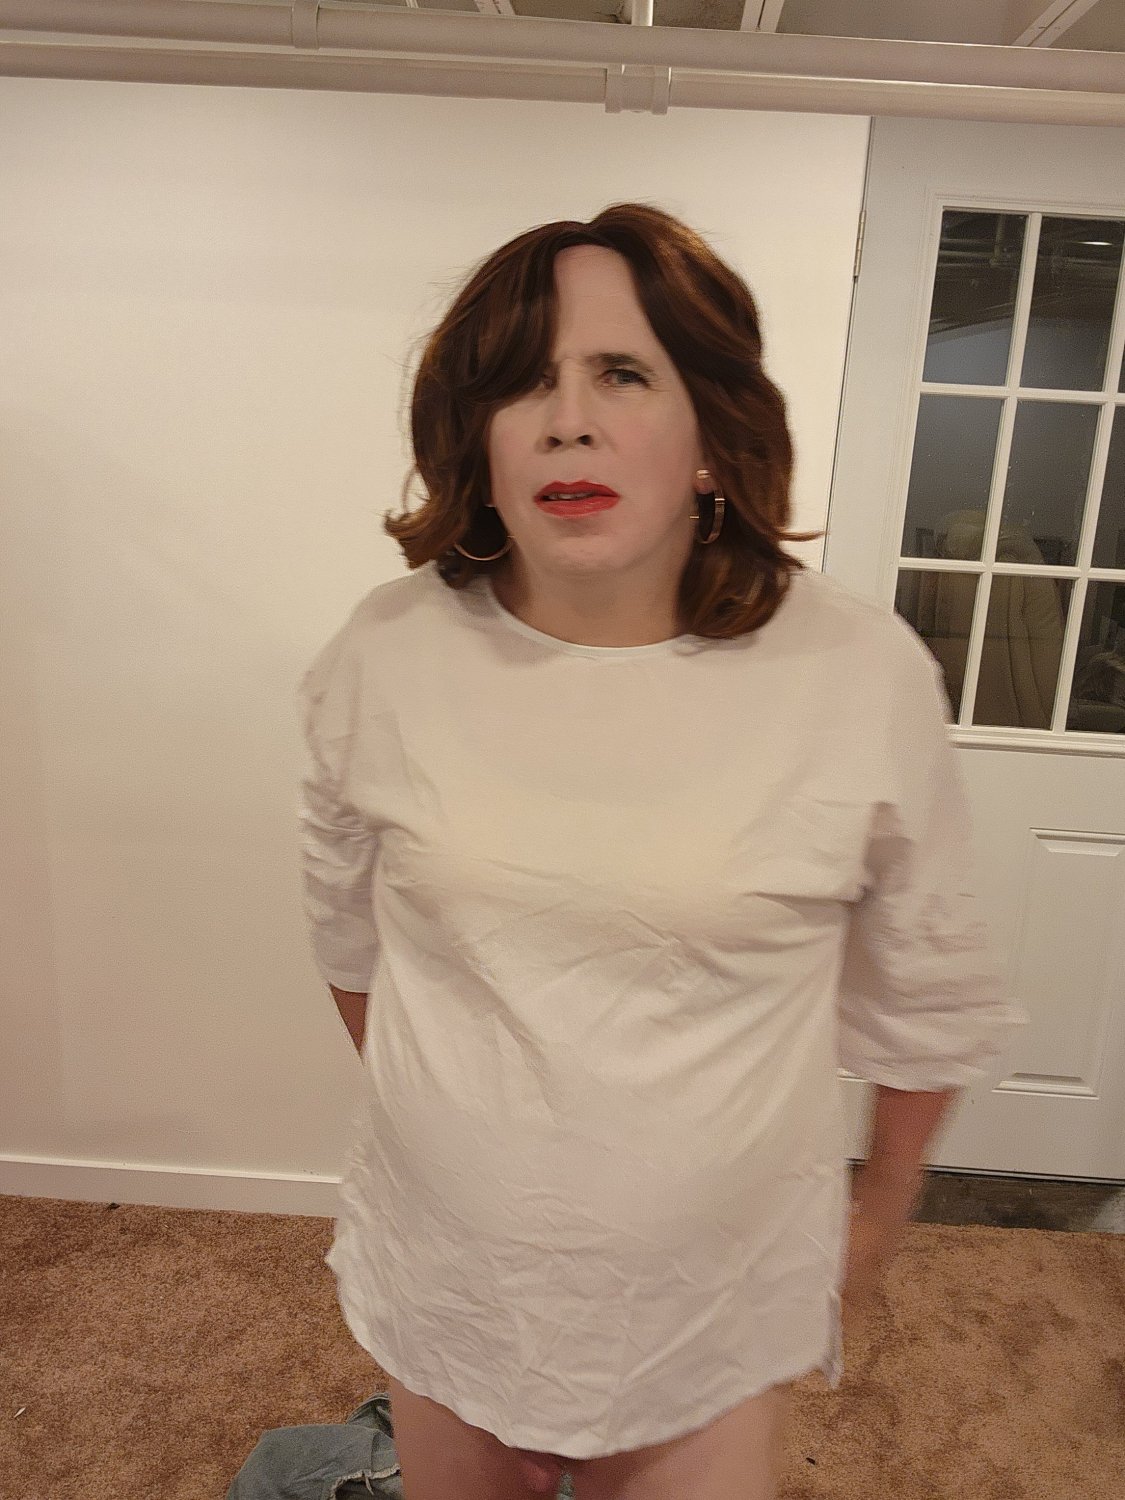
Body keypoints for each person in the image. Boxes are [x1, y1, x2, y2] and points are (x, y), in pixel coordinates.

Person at [296, 202, 1027, 1500]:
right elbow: (349, 934)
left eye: (621, 373)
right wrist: (465, 1146)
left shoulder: (852, 674)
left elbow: (929, 982)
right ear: (477, 442)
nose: (566, 421)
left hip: (709, 1302)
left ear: (710, 437)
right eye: (522, 383)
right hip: (451, 1276)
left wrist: (879, 1208)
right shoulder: (384, 652)